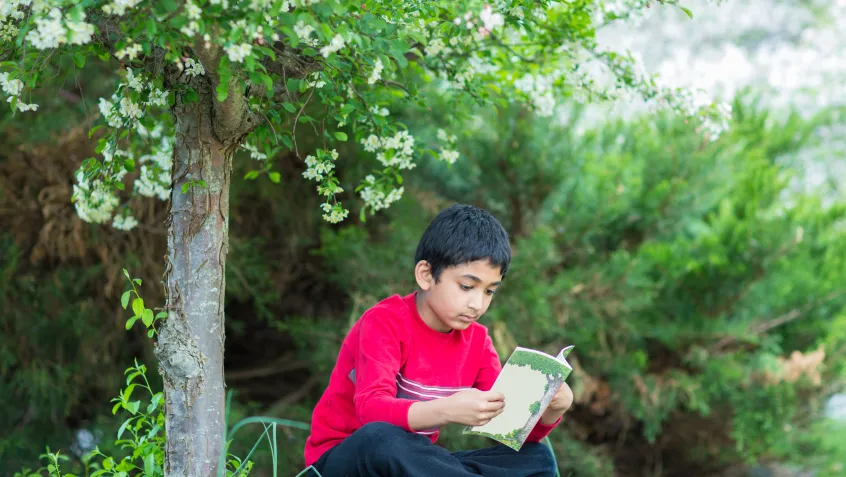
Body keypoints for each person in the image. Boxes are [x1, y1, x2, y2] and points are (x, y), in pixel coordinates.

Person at [304, 204, 573, 477]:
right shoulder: (384, 322)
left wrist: (551, 410)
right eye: (467, 287)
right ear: (426, 275)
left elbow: (506, 428)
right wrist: (446, 410)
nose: (477, 304)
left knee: (536, 458)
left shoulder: (477, 342)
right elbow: (371, 411)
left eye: (489, 291)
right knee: (381, 438)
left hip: (414, 462)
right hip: (346, 461)